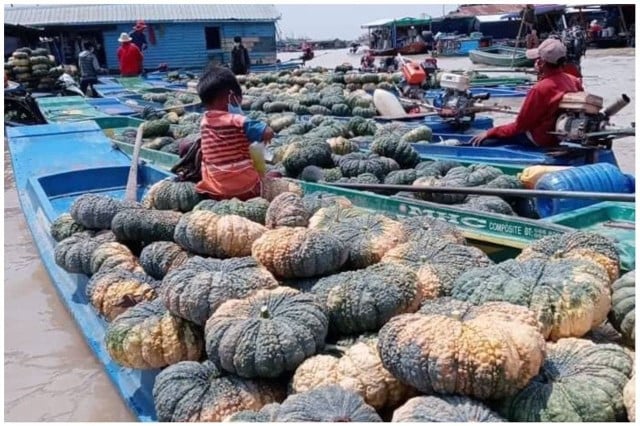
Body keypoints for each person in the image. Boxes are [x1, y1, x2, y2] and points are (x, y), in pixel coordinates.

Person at [470, 38, 583, 148]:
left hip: (539, 139)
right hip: (559, 138)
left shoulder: (540, 89)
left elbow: (520, 126)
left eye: (537, 59)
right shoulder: (573, 80)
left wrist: (491, 132)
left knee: (485, 142)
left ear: (541, 62)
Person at [195, 66, 274, 200]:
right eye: (239, 99)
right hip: (245, 189)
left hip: (214, 191)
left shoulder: (204, 122)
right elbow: (267, 132)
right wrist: (263, 135)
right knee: (275, 181)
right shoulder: (237, 120)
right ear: (232, 97)